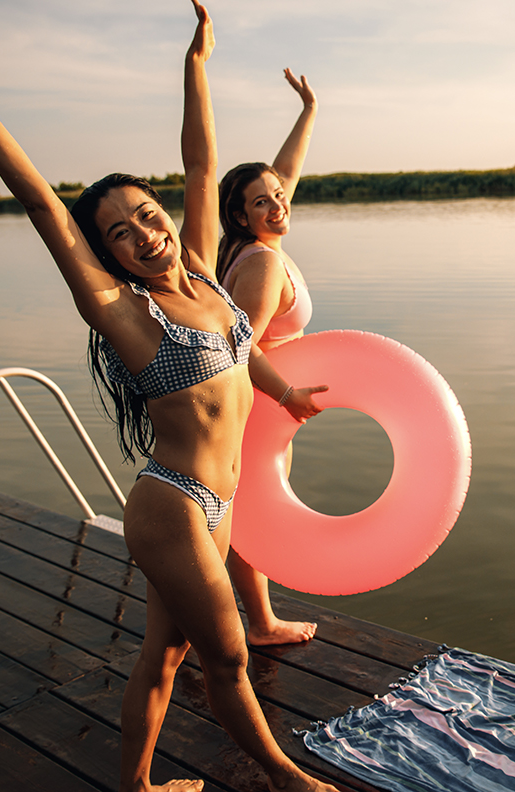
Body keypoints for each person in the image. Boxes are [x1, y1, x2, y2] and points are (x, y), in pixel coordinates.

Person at [0, 5, 336, 791]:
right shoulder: (123, 312)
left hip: (218, 505)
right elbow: (43, 207)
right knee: (227, 659)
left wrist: (196, 64)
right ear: (108, 254)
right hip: (174, 506)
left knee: (166, 654)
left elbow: (201, 166)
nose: (145, 234)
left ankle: (137, 786)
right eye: (121, 232)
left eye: (147, 216)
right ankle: (289, 779)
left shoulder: (202, 272)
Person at [214, 71, 325, 646]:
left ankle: (248, 619)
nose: (279, 205)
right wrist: (286, 394)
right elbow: (239, 345)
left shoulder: (252, 241)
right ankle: (260, 624)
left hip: (265, 404)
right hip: (260, 403)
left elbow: (284, 174)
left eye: (279, 196)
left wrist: (308, 110)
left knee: (249, 508)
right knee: (254, 514)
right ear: (242, 215)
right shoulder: (261, 263)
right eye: (263, 202)